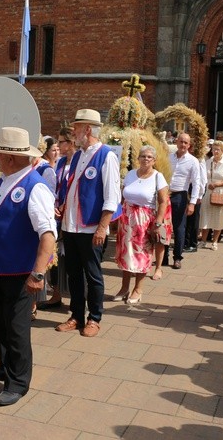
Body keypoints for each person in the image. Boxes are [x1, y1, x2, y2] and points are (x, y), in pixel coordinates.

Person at [0, 127, 56, 406]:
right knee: (0, 323)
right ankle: (5, 366)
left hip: (21, 272)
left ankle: (18, 382)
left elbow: (47, 235)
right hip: (1, 268)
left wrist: (37, 273)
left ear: (11, 157)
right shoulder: (5, 180)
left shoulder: (34, 187)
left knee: (16, 328)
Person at [55, 109, 121, 338]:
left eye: (76, 128)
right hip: (71, 225)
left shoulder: (106, 156)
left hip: (91, 227)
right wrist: (62, 208)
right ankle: (76, 315)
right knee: (73, 274)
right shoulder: (79, 155)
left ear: (88, 129)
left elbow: (112, 197)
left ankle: (94, 318)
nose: (73, 132)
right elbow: (73, 188)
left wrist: (103, 227)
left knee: (93, 275)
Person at [114, 145, 171, 301]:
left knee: (142, 255)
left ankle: (138, 289)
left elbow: (163, 202)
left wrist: (158, 223)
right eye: (143, 156)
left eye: (149, 157)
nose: (145, 159)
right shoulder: (131, 174)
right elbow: (122, 197)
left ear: (154, 160)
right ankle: (124, 288)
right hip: (126, 219)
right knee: (125, 254)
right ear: (138, 158)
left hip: (144, 221)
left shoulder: (158, 177)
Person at [38, 127, 75, 310]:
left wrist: (65, 205)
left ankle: (77, 301)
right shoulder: (60, 163)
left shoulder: (77, 162)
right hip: (58, 215)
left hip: (73, 215)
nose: (58, 146)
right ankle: (57, 294)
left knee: (72, 260)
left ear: (71, 143)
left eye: (61, 142)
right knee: (57, 258)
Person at [167, 132, 201, 269]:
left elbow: (196, 183)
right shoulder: (168, 157)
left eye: (186, 143)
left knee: (179, 227)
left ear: (189, 145)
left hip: (180, 196)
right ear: (176, 142)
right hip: (166, 194)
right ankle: (163, 257)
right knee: (163, 226)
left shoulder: (193, 161)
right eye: (181, 141)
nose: (183, 145)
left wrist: (192, 203)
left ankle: (177, 257)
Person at [199, 141, 223, 251]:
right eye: (214, 149)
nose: (215, 151)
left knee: (219, 217)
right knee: (205, 216)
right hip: (208, 191)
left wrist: (217, 184)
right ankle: (203, 241)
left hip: (220, 191)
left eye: (218, 149)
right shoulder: (207, 162)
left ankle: (215, 242)